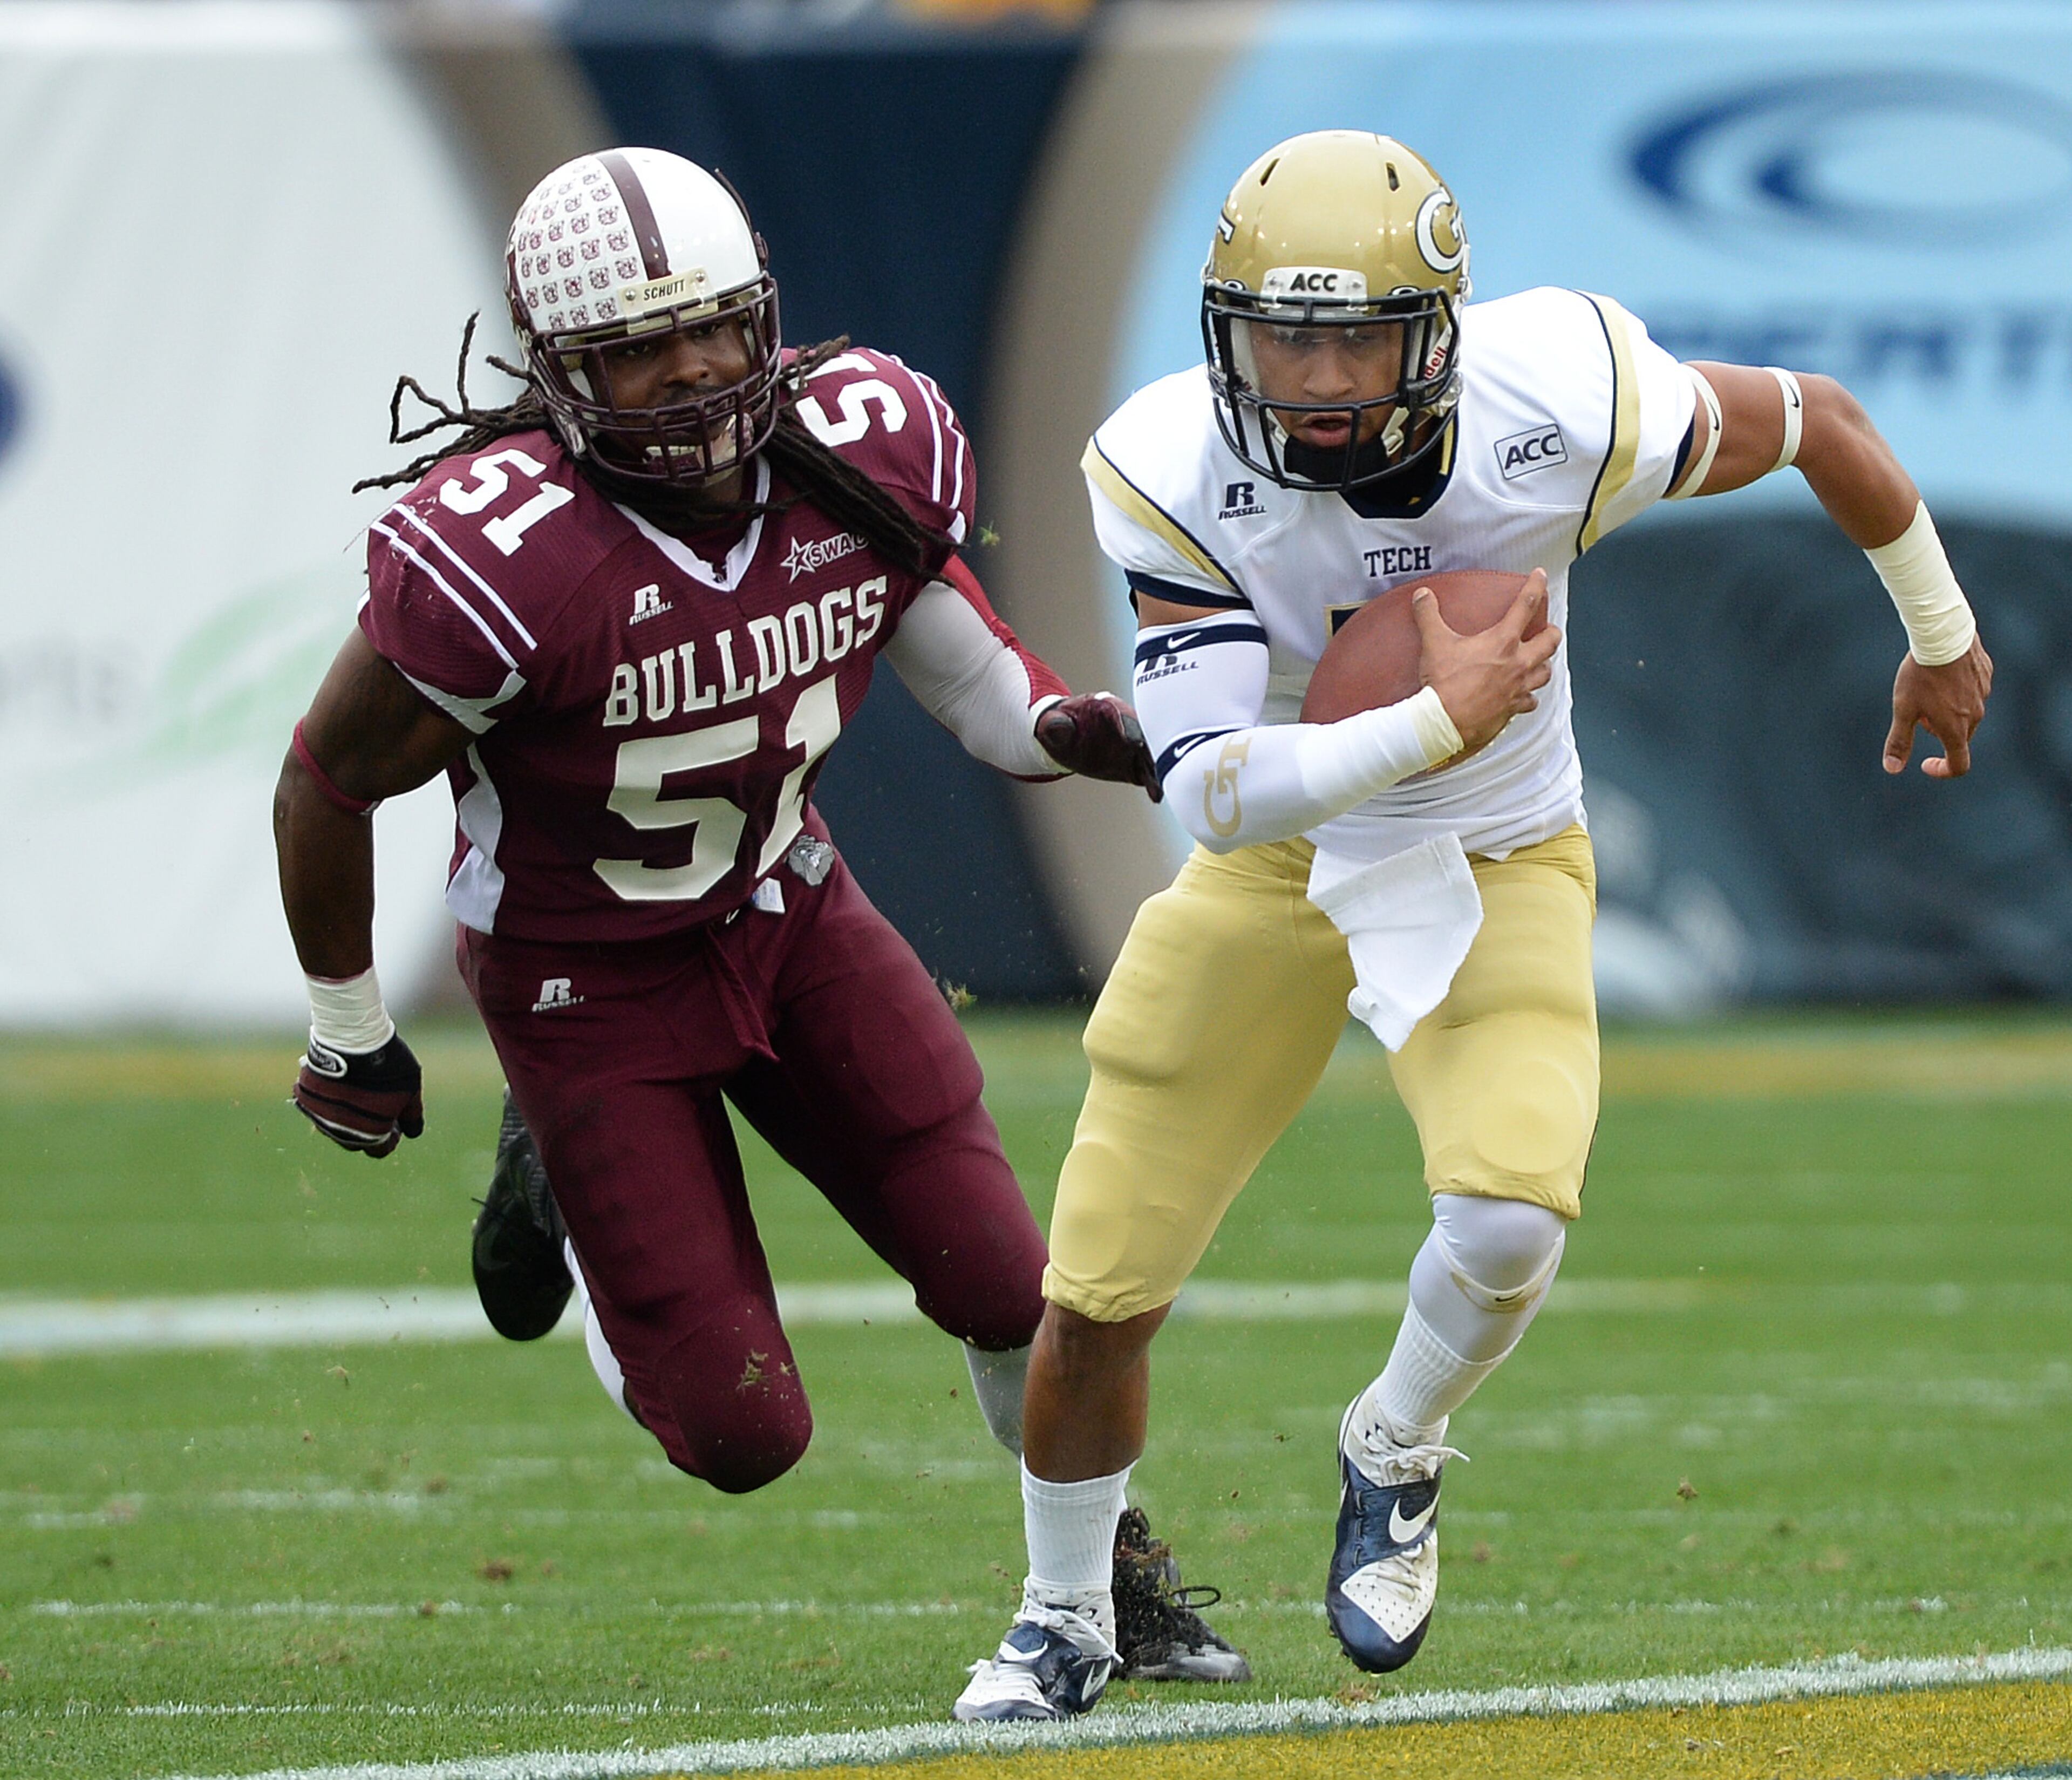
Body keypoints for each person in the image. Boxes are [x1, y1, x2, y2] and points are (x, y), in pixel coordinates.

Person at [953, 128, 1993, 1721]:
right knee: (1099, 1287)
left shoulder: (1566, 398)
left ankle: (1397, 1439)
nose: (1314, 380)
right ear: (1224, 332)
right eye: (1281, 337)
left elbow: (1819, 420)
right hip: (1278, 862)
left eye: (1356, 338)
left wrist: (1940, 630)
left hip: (1498, 850)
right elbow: (1213, 791)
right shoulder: (1173, 465)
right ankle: (1065, 1612)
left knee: (1511, 1217)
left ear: (1436, 334)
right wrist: (1431, 719)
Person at [272, 146, 1244, 1682]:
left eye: (714, 326)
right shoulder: (507, 557)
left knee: (1015, 1285)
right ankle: (566, 1190)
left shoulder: (853, 450)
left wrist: (1096, 732)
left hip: (791, 914)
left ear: (764, 313)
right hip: (585, 986)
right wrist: (350, 1028)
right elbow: (326, 782)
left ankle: (1107, 1574)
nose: (691, 372)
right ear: (561, 373)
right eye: (638, 349)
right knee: (741, 1434)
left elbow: (986, 691)